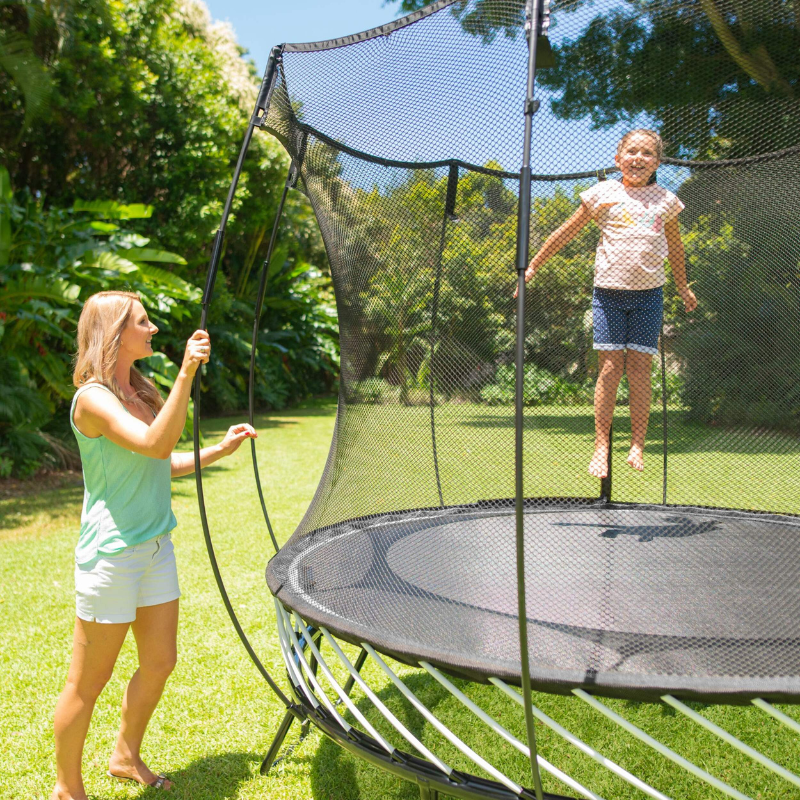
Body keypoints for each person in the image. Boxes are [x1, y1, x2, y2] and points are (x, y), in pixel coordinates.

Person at [52, 291, 257, 800]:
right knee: (87, 683)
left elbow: (159, 464)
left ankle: (124, 755)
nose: (154, 330)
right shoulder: (93, 398)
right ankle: (67, 789)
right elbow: (155, 444)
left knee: (161, 661)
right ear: (115, 333)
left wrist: (219, 449)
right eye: (143, 323)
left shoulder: (140, 390)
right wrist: (187, 373)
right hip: (112, 557)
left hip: (155, 549)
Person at [518, 129, 697, 477]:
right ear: (618, 159)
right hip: (609, 294)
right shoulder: (603, 193)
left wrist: (683, 286)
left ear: (657, 162)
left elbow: (676, 247)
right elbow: (567, 231)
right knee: (611, 368)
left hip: (649, 296)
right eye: (632, 151)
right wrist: (535, 264)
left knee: (641, 370)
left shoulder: (666, 200)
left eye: (647, 153)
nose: (638, 158)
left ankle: (637, 445)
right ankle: (601, 446)